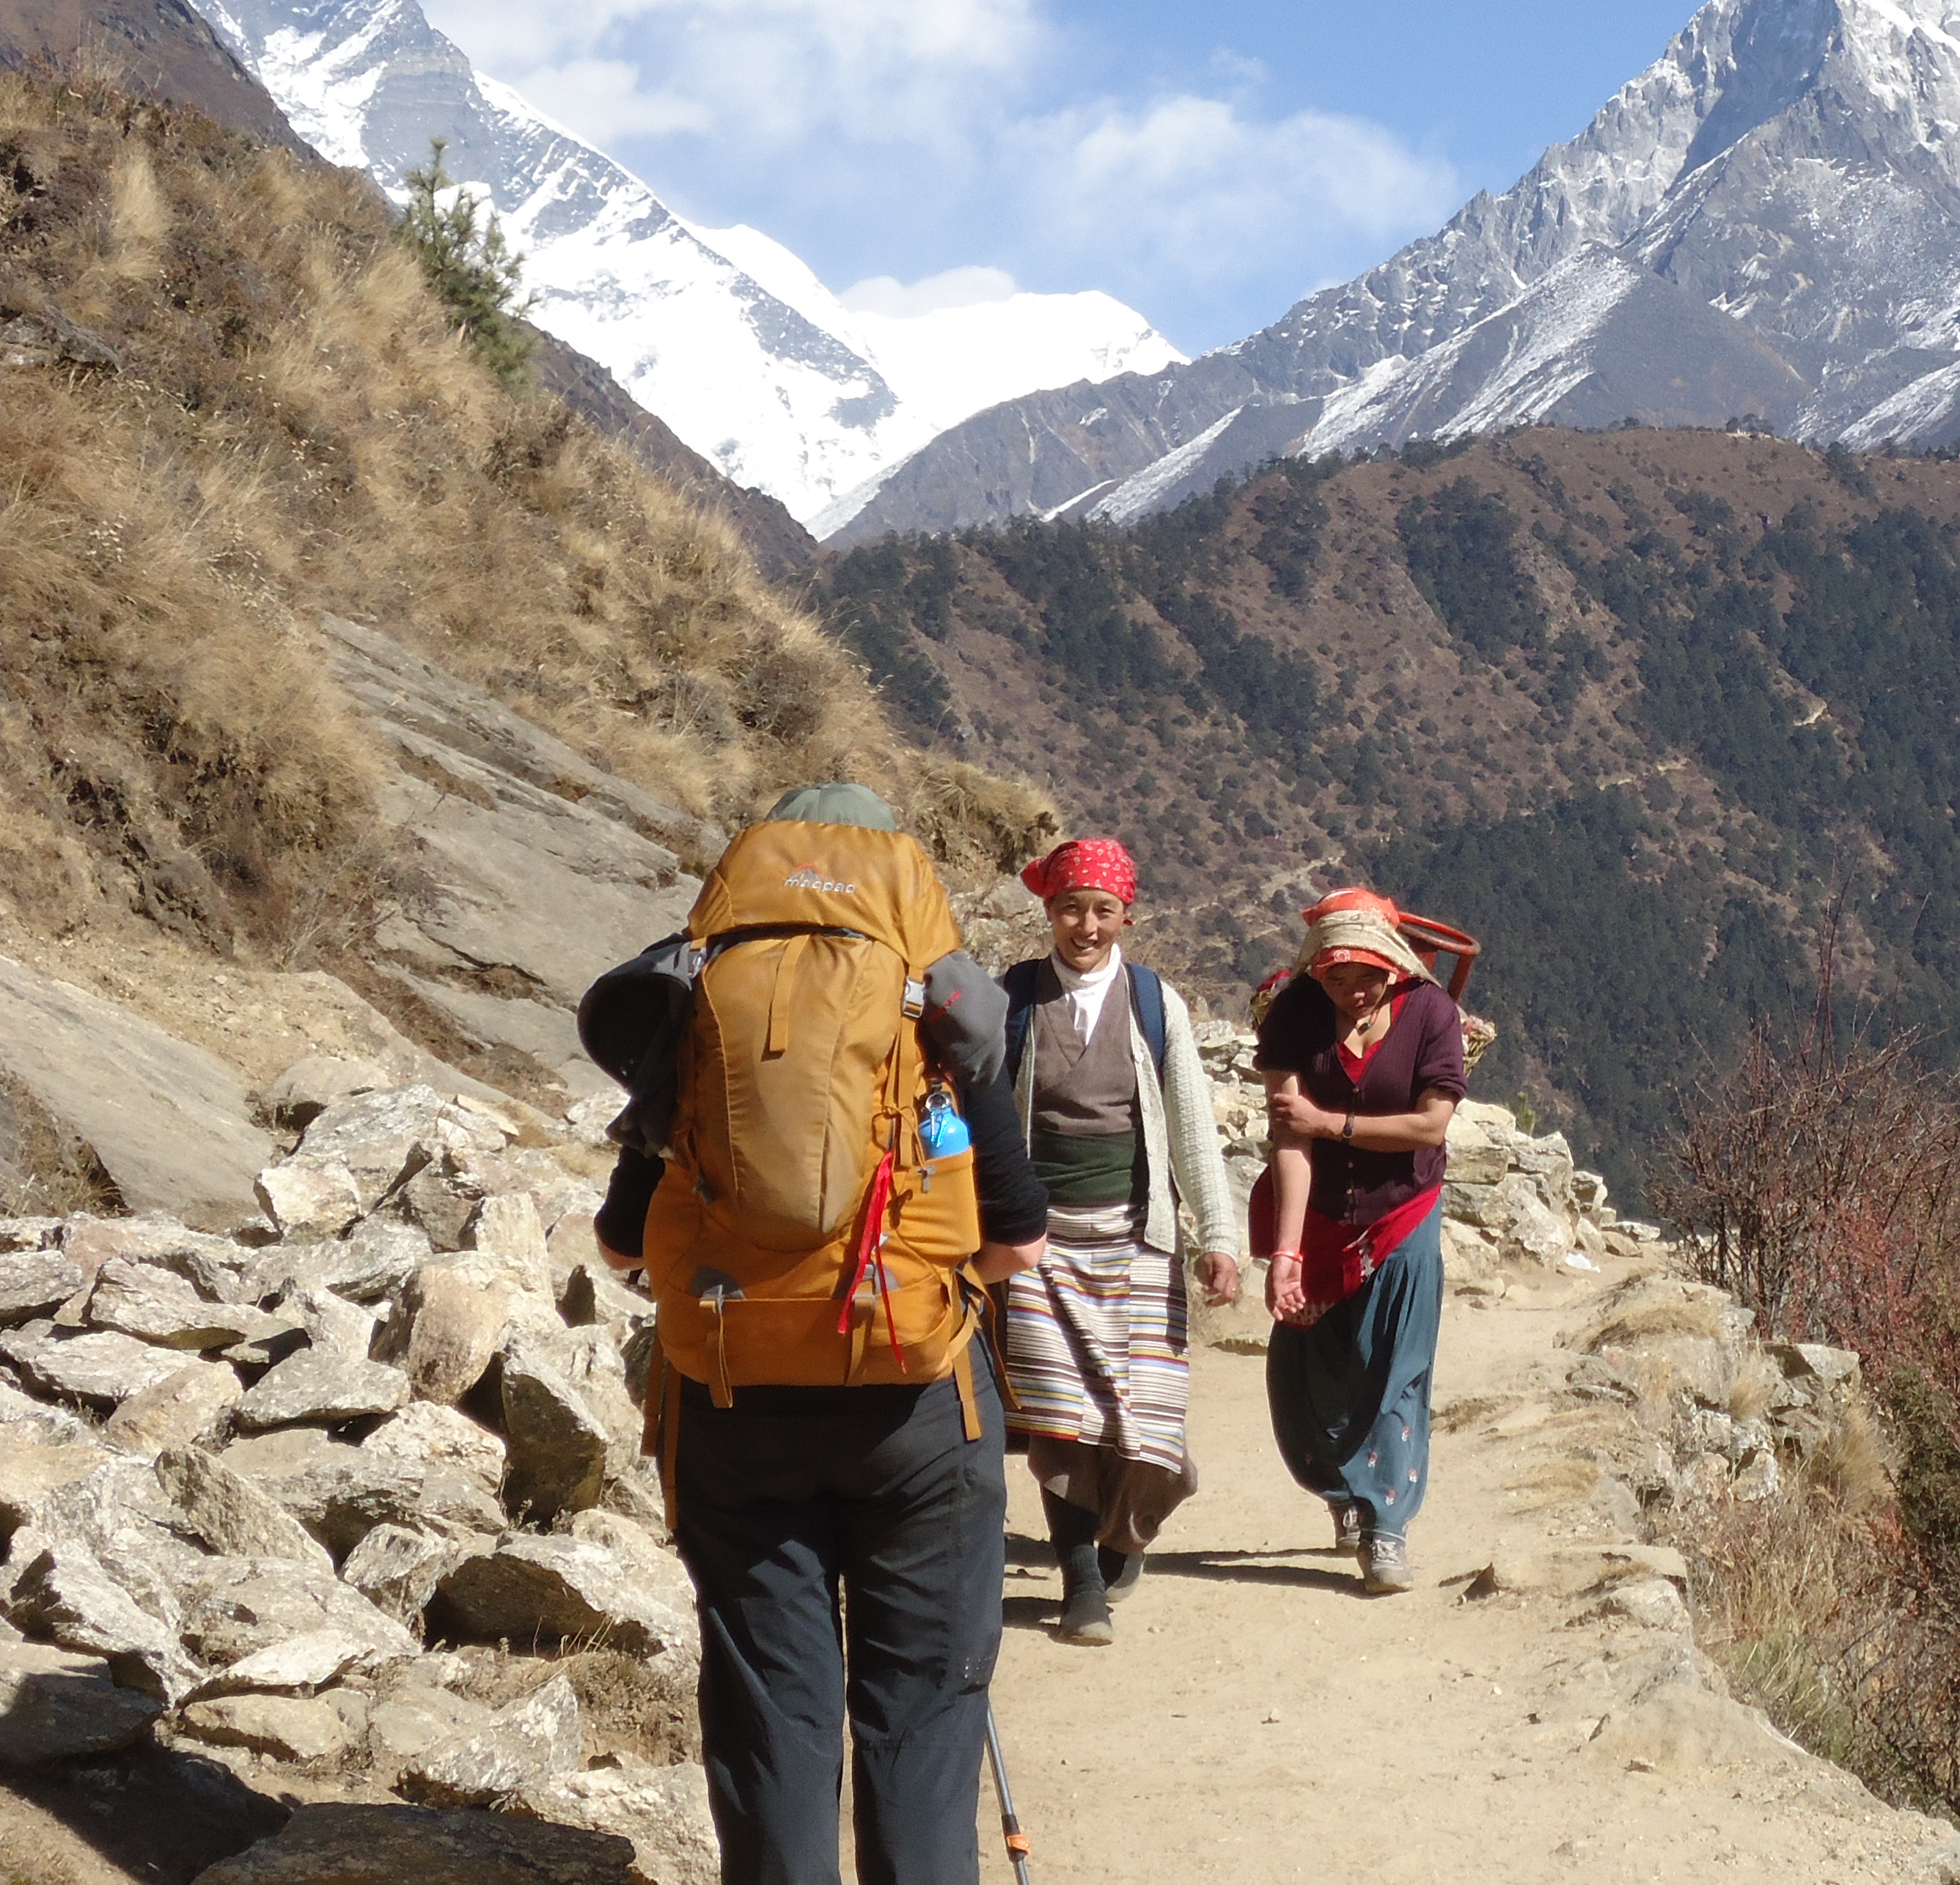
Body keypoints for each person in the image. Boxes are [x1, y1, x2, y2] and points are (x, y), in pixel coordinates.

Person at [584, 783, 1046, 1885]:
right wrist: (910, 1283)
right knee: (923, 1708)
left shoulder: (700, 1006)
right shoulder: (937, 1015)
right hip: (916, 1408)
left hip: (734, 1404)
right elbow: (1019, 1241)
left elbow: (621, 1248)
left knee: (770, 1708)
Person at [987, 835, 1241, 1645]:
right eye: (1070, 909)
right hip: (1040, 1247)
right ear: (1048, 911)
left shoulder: (1156, 1003)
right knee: (1063, 1418)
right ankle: (1081, 1580)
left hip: (1138, 1241)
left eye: (1102, 910)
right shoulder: (1013, 1000)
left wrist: (1219, 1236)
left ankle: (1125, 1537)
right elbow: (985, 1117)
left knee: (1146, 1428)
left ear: (1127, 915)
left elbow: (1191, 1130)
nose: (1086, 927)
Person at [1254, 886, 1469, 1592]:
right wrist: (1286, 1254)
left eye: (1368, 976)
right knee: (1309, 1365)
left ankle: (1387, 1527)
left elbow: (1430, 1126)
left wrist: (1331, 1125)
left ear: (1393, 964)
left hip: (1404, 1208)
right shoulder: (1294, 1013)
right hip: (1319, 1210)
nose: (1353, 992)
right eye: (1337, 977)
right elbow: (1290, 1137)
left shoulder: (1431, 1013)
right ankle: (1342, 1488)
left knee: (1396, 1362)